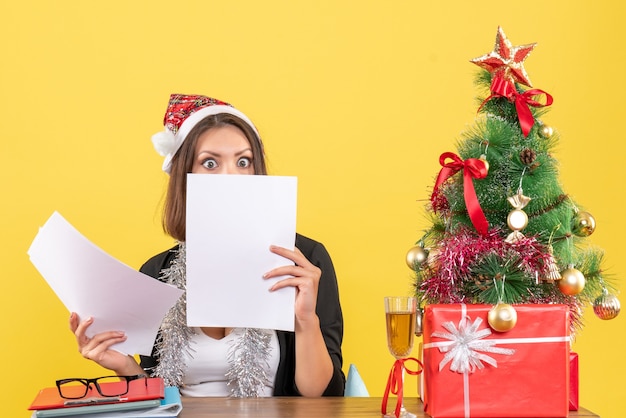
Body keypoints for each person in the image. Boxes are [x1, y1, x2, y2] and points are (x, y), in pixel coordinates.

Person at [69, 94, 344, 397]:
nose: (231, 175)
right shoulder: (157, 272)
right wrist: (123, 365)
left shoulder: (305, 261)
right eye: (210, 162)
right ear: (184, 176)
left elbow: (322, 396)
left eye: (244, 161)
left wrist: (306, 321)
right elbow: (158, 397)